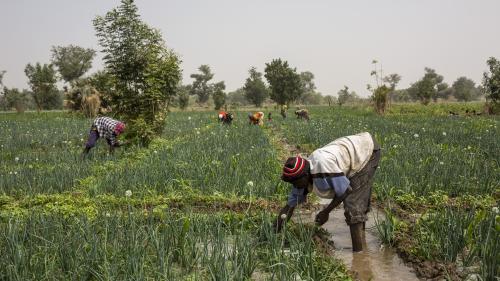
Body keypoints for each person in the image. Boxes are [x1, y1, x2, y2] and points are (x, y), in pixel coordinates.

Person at [274, 132, 381, 252]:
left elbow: (346, 190)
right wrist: (273, 233)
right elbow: (289, 207)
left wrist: (326, 212)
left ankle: (359, 256)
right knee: (356, 206)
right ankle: (361, 238)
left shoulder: (323, 166)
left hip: (365, 151)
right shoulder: (301, 177)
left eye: (296, 183)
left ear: (305, 175)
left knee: (353, 206)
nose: (295, 186)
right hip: (350, 153)